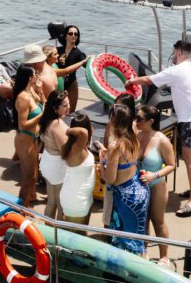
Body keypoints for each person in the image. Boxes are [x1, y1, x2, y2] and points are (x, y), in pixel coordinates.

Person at [127, 40, 191, 217]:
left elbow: (148, 80)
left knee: (189, 157)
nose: (173, 56)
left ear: (179, 53)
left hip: (190, 119)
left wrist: (131, 81)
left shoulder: (176, 70)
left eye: (174, 53)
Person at [100, 104, 150, 254]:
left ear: (113, 120)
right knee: (136, 237)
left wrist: (102, 163)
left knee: (123, 242)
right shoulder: (133, 139)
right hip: (139, 192)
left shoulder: (114, 146)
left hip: (125, 199)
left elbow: (110, 179)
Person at [136, 105, 175, 266]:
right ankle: (143, 251)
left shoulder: (162, 140)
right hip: (140, 184)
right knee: (142, 220)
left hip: (156, 185)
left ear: (150, 121)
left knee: (158, 221)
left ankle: (164, 256)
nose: (136, 121)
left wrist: (155, 175)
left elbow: (172, 165)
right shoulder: (138, 135)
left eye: (139, 119)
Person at [101, 93, 137, 227]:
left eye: (120, 106)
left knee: (113, 218)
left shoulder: (133, 129)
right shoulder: (110, 126)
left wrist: (101, 164)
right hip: (118, 173)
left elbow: (110, 179)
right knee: (111, 215)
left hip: (119, 182)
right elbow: (106, 146)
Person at [13, 65, 45, 207]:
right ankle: (22, 207)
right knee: (28, 177)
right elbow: (23, 124)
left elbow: (43, 102)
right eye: (35, 74)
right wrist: (41, 116)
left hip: (33, 138)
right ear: (29, 78)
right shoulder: (23, 98)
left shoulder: (31, 91)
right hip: (25, 140)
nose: (37, 76)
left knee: (34, 176)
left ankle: (30, 198)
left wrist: (40, 90)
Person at [39, 90, 71, 220]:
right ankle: (58, 236)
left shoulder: (46, 120)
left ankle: (48, 232)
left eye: (68, 104)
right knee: (62, 205)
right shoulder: (57, 125)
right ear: (55, 108)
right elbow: (65, 152)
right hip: (58, 167)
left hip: (47, 161)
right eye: (64, 106)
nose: (68, 108)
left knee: (51, 200)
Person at [59, 113, 95, 224]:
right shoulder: (76, 149)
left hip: (83, 198)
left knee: (80, 234)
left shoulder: (78, 147)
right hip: (76, 202)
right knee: (74, 238)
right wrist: (69, 130)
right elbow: (84, 133)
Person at [57, 25, 87, 112]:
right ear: (66, 36)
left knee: (69, 111)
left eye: (76, 34)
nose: (73, 35)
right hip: (58, 83)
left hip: (71, 84)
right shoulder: (58, 50)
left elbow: (86, 65)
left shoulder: (79, 54)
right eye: (70, 33)